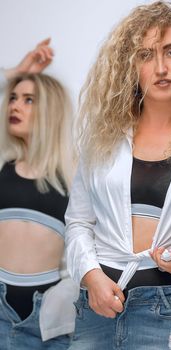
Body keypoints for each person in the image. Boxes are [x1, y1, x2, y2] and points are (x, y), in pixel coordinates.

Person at [65, 1, 171, 349]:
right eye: (146, 55)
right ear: (131, 67)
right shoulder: (103, 139)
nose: (160, 67)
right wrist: (91, 276)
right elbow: (78, 223)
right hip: (97, 309)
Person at [0, 72, 78, 349]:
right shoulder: (2, 165)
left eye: (28, 100)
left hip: (46, 323)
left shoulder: (74, 175)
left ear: (50, 111)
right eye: (12, 98)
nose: (14, 106)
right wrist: (19, 70)